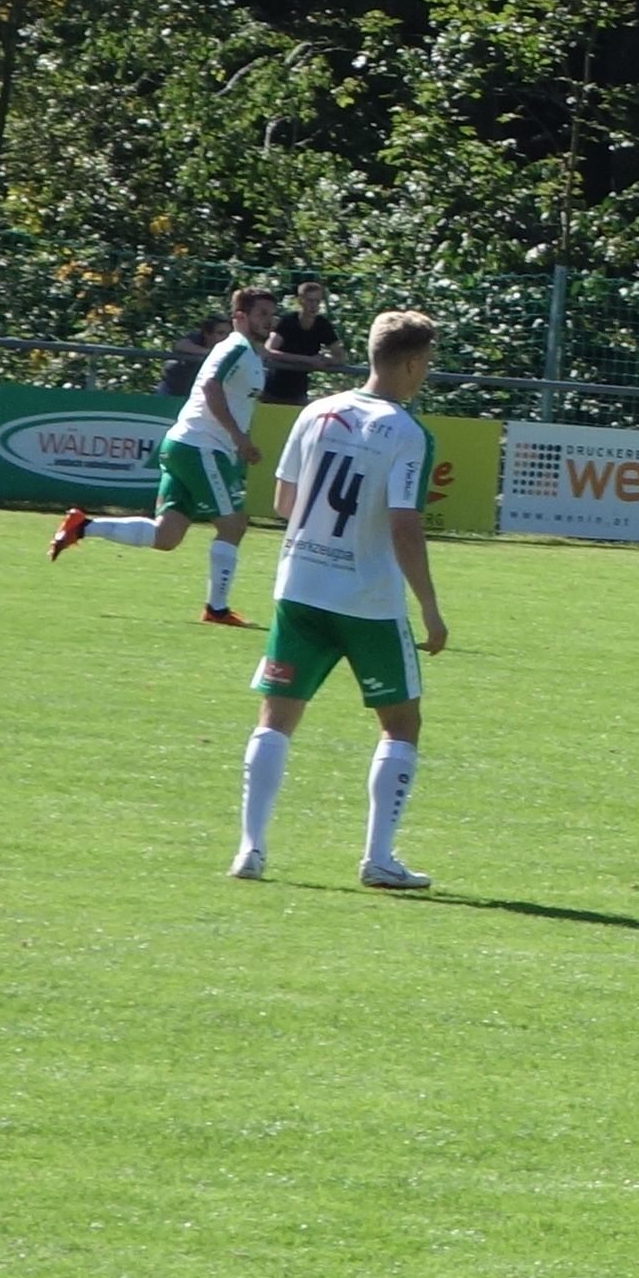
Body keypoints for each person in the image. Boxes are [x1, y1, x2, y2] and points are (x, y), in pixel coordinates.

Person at [231, 311, 449, 888]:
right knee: (400, 723)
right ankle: (378, 858)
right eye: (427, 362)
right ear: (411, 363)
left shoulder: (316, 411)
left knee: (276, 717)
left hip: (300, 587)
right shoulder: (408, 433)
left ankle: (250, 849)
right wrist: (429, 607)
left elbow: (283, 502)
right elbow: (404, 525)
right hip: (368, 599)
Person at [51, 288, 276, 625]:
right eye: (262, 314)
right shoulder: (236, 347)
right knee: (233, 525)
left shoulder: (250, 353)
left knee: (166, 536)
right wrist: (238, 437)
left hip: (186, 445)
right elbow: (210, 386)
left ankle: (83, 527)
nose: (269, 321)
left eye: (271, 314)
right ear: (240, 317)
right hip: (202, 446)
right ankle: (216, 609)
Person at [260, 280, 346, 407]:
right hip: (272, 390)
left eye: (317, 301)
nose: (314, 306)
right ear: (301, 300)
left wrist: (325, 360)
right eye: (310, 301)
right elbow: (268, 351)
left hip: (298, 392)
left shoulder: (323, 325)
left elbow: (341, 356)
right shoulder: (287, 321)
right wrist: (307, 360)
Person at [155, 315, 226, 397]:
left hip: (199, 391)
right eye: (221, 333)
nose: (226, 337)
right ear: (207, 334)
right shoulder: (196, 337)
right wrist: (211, 352)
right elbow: (180, 345)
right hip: (172, 386)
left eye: (229, 334)